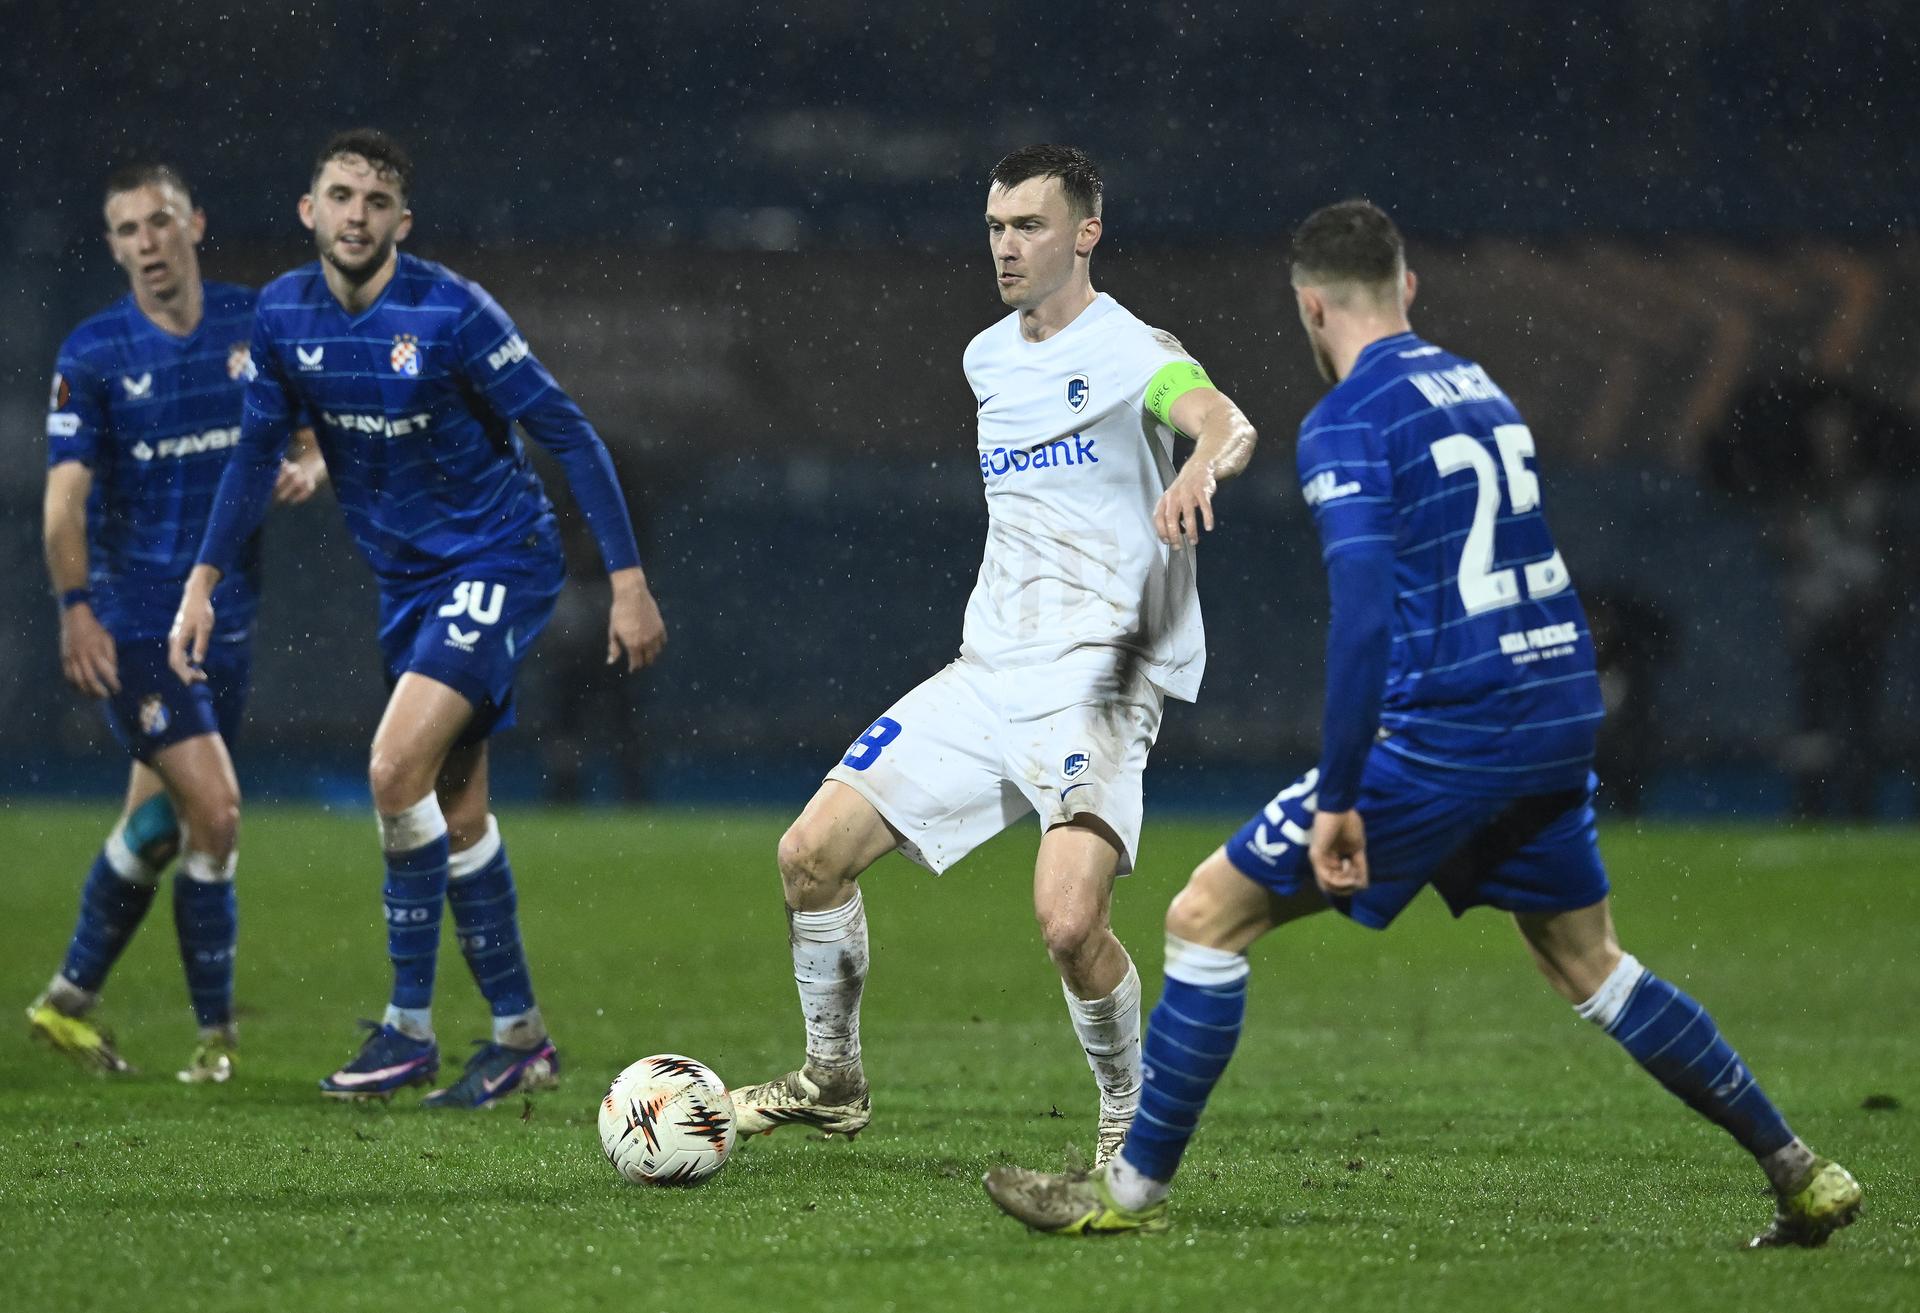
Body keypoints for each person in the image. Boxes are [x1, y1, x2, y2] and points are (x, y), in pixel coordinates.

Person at [983, 200, 1861, 1248]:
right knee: (1590, 961)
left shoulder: (1349, 420)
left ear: (1310, 306)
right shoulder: (1477, 385)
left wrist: (1343, 795)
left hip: (1454, 730)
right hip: (1553, 711)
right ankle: (1798, 1168)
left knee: (1203, 917)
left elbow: (1362, 616)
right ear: (1409, 289)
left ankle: (1124, 1189)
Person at [729, 145, 1260, 1166]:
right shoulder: (985, 357)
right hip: (988, 671)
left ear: (1086, 233)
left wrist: (1199, 464)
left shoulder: (1131, 348)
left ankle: (1130, 1119)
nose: (1008, 247)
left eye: (1030, 226)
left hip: (1100, 675)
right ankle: (832, 1078)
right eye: (996, 227)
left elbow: (1222, 419)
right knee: (808, 856)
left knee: (1069, 923)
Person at [170, 129, 666, 1108]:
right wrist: (201, 579)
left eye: (376, 200)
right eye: (340, 195)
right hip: (405, 584)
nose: (357, 215)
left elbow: (565, 428)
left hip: (498, 561)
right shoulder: (280, 315)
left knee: (395, 770)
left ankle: (406, 1028)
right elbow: (255, 451)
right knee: (461, 807)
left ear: (403, 219)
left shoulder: (451, 312)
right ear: (309, 209)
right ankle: (520, 1033)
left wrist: (628, 579)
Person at [27, 162, 323, 1084]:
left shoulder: (254, 323)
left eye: (159, 222)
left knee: (158, 826)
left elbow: (313, 433)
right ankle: (216, 1039)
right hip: (136, 619)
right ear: (114, 247)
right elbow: (62, 507)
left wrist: (311, 466)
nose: (146, 243)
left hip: (224, 617)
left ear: (194, 224)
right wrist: (78, 611)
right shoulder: (95, 353)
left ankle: (66, 1002)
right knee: (218, 810)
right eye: (126, 231)